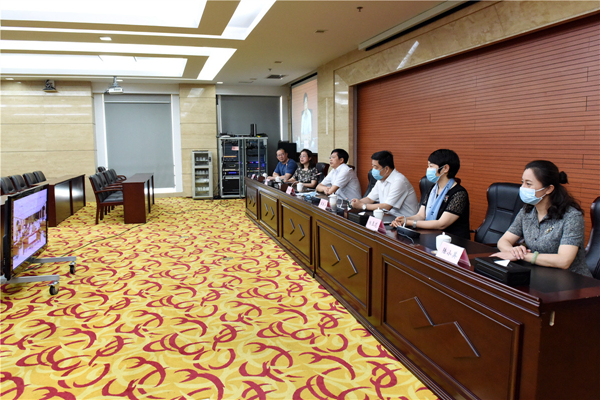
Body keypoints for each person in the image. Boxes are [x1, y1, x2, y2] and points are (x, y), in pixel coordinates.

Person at [492, 160, 592, 277]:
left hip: (572, 280)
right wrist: (513, 251)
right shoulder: (527, 211)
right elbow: (504, 241)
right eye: (522, 182)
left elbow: (564, 261)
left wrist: (523, 256)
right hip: (539, 274)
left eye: (528, 184)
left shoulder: (571, 216)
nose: (523, 187)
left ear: (549, 189)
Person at [391, 149, 470, 238]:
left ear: (445, 168)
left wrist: (409, 222)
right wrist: (403, 220)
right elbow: (421, 216)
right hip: (431, 235)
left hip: (453, 241)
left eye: (431, 166)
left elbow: (441, 224)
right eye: (428, 166)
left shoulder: (459, 193)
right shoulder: (433, 189)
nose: (428, 169)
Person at [350, 151, 418, 217]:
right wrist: (356, 202)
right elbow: (370, 199)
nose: (373, 170)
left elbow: (387, 206)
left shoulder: (399, 181)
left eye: (376, 167)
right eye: (372, 166)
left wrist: (362, 206)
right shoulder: (381, 179)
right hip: (388, 216)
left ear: (386, 169)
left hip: (406, 220)